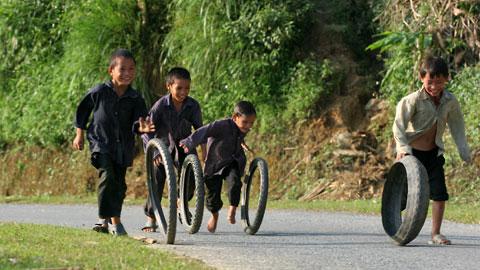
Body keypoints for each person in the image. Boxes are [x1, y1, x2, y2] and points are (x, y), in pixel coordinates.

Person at [393, 55, 471, 245]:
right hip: (412, 155)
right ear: (421, 78)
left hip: (433, 154)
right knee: (403, 197)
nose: (434, 87)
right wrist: (402, 148)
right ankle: (396, 226)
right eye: (430, 82)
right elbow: (398, 126)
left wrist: (464, 150)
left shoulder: (450, 101)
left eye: (439, 82)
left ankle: (435, 234)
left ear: (447, 79)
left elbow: (457, 126)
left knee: (439, 193)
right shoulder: (412, 100)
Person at [72, 49, 148, 236]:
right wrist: (79, 135)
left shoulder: (135, 98)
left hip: (123, 147)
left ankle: (107, 221)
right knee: (107, 176)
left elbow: (139, 122)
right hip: (100, 142)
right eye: (122, 69)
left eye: (131, 69)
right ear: (111, 71)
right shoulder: (99, 92)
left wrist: (142, 128)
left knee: (119, 184)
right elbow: (82, 112)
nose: (127, 73)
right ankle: (111, 222)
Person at [138, 67, 205, 232]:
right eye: (179, 88)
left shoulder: (192, 105)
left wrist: (205, 151)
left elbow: (200, 130)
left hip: (184, 146)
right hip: (163, 147)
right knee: (157, 180)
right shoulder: (160, 106)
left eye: (187, 88)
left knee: (191, 181)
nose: (184, 92)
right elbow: (147, 132)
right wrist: (153, 152)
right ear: (169, 86)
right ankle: (151, 218)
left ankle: (181, 203)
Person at [180, 101, 256, 233]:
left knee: (235, 182)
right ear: (235, 117)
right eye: (245, 122)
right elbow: (205, 130)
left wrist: (242, 143)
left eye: (251, 123)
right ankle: (214, 216)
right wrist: (190, 141)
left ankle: (232, 208)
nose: (248, 126)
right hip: (214, 164)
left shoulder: (242, 128)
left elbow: (235, 137)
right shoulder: (221, 125)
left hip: (232, 162)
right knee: (212, 197)